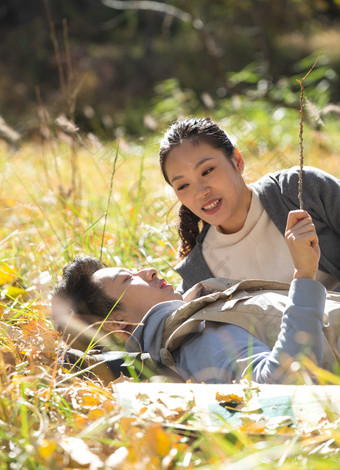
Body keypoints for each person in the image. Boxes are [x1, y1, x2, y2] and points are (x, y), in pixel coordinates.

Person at [52, 210, 340, 384]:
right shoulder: (192, 338)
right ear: (119, 324)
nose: (148, 271)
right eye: (128, 279)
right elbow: (282, 384)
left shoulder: (198, 311)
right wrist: (304, 274)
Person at [158, 117, 340, 293]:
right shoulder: (200, 275)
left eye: (207, 171)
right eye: (183, 186)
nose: (200, 192)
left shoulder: (299, 189)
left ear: (237, 161)